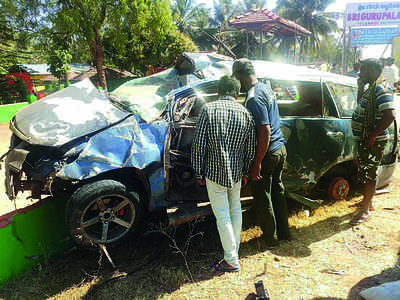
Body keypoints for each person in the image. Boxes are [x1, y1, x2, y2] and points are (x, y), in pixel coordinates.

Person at [191, 75, 256, 272]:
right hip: (236, 174)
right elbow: (250, 149)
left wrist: (198, 173)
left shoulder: (208, 110)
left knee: (223, 217)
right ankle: (233, 253)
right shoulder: (246, 114)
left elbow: (198, 146)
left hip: (214, 173)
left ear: (218, 91)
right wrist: (245, 172)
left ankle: (231, 260)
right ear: (237, 94)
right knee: (235, 211)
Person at [232, 59, 290, 246]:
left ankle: (270, 239)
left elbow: (264, 130)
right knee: (278, 191)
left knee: (263, 195)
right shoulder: (266, 88)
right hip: (280, 148)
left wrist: (257, 161)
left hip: (268, 152)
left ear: (240, 76)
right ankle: (284, 233)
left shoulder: (253, 98)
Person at [350, 58, 395, 224]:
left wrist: (373, 135)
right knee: (366, 171)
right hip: (367, 138)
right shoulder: (371, 89)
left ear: (369, 70)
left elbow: (389, 115)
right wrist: (361, 86)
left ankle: (365, 210)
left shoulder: (380, 90)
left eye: (362, 70)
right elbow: (359, 103)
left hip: (373, 140)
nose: (359, 73)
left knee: (369, 174)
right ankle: (368, 202)